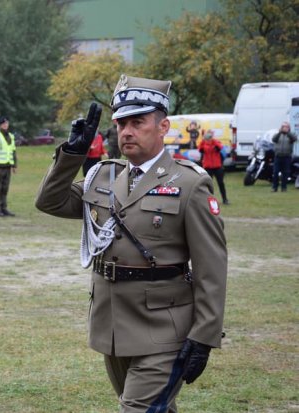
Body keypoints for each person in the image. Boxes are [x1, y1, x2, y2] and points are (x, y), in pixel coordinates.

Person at [36, 74, 227, 413]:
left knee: (137, 409)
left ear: (163, 126)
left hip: (165, 329)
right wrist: (72, 155)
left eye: (138, 122)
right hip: (113, 326)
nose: (126, 131)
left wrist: (204, 335)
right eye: (121, 123)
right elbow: (50, 202)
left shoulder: (189, 183)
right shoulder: (104, 176)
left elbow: (212, 267)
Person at [198, 129, 229, 204]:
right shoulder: (203, 144)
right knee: (208, 184)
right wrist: (203, 140)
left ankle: (225, 199)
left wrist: (213, 140)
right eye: (207, 137)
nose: (208, 139)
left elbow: (220, 147)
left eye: (209, 136)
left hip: (217, 167)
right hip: (208, 167)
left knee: (221, 183)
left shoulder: (216, 142)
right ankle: (208, 200)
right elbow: (199, 149)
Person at [271, 121, 297, 192]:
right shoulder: (278, 135)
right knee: (275, 172)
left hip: (287, 157)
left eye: (286, 127)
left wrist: (288, 132)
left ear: (289, 128)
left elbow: (294, 139)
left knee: (285, 173)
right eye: (283, 127)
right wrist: (280, 132)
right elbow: (273, 139)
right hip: (278, 156)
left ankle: (284, 188)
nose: (284, 128)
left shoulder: (291, 135)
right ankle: (274, 187)